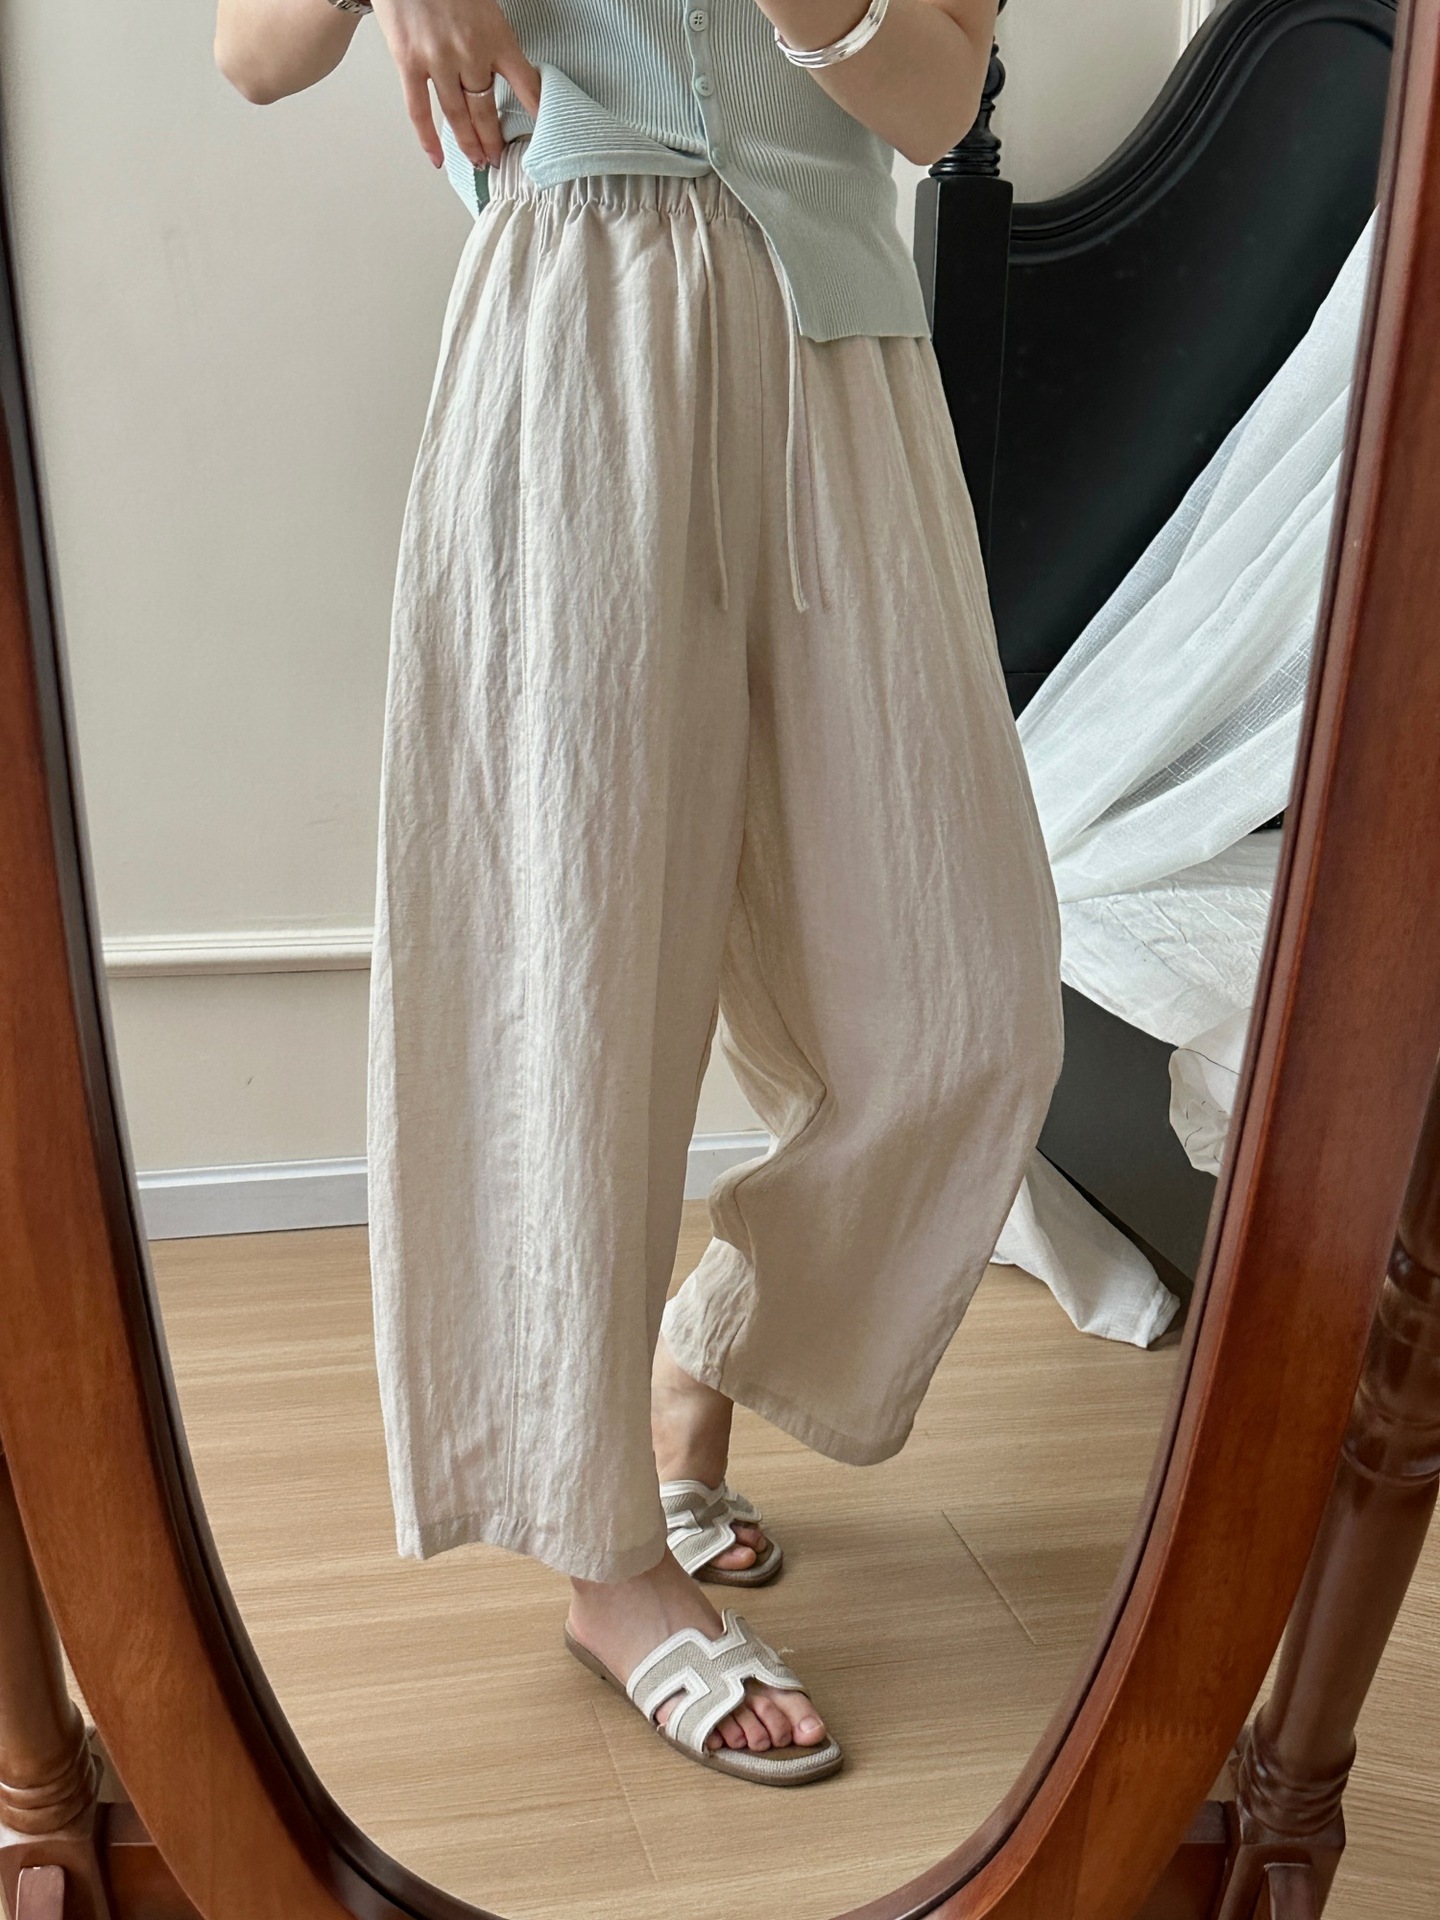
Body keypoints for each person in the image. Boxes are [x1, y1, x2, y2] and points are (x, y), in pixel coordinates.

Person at [215, 0, 1062, 1787]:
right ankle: (605, 1560)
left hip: (844, 366)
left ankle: (707, 1353)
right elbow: (255, 52)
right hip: (578, 345)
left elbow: (935, 103)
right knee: (573, 979)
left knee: (969, 1003)